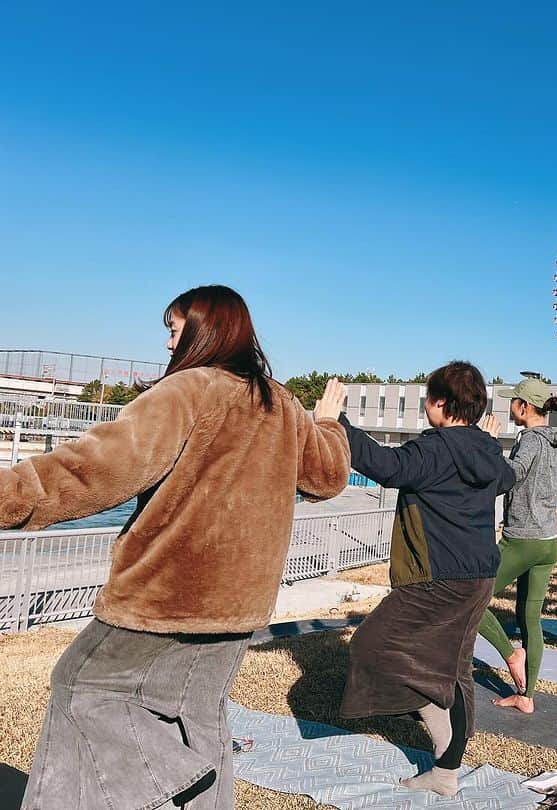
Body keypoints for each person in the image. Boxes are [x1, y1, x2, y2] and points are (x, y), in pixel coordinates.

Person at [0, 285, 351, 810]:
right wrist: (327, 421)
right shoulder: (281, 402)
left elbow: (90, 469)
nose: (167, 344)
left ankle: (169, 783)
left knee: (80, 687)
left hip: (163, 597)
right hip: (240, 606)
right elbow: (330, 475)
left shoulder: (187, 391)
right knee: (198, 711)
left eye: (173, 329)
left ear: (206, 329)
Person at [336, 361, 516, 798]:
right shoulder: (487, 450)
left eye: (426, 400)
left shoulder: (436, 449)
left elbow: (387, 465)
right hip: (480, 576)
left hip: (439, 577)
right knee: (455, 667)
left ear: (439, 402)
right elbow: (506, 478)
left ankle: (432, 710)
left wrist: (337, 423)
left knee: (372, 645)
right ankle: (446, 772)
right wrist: (487, 445)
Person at [475, 378, 557, 715]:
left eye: (514, 402)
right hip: (548, 544)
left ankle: (511, 655)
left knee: (472, 598)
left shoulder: (528, 440)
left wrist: (489, 445)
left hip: (521, 541)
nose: (510, 406)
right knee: (531, 620)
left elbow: (512, 474)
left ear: (524, 407)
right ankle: (526, 696)